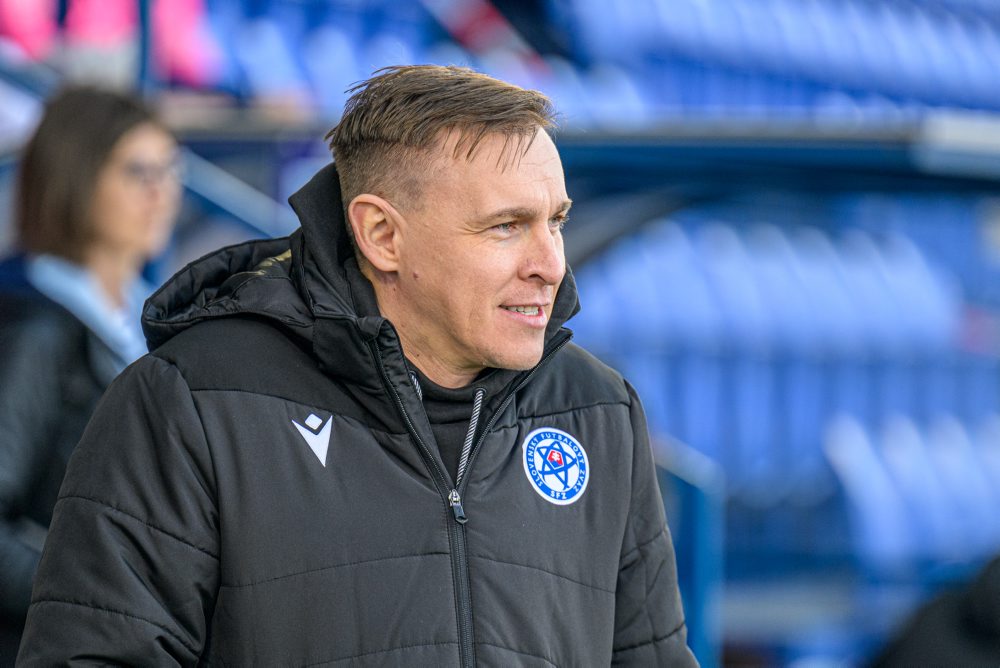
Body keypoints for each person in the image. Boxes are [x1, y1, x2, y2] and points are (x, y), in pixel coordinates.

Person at [18, 65, 697, 666]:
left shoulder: (598, 410)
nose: (551, 264)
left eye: (557, 222)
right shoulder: (193, 402)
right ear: (381, 235)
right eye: (506, 226)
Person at [0, 85, 180, 660]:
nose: (160, 193)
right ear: (75, 178)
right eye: (137, 172)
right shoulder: (30, 325)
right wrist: (94, 605)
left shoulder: (159, 313)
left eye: (169, 169)